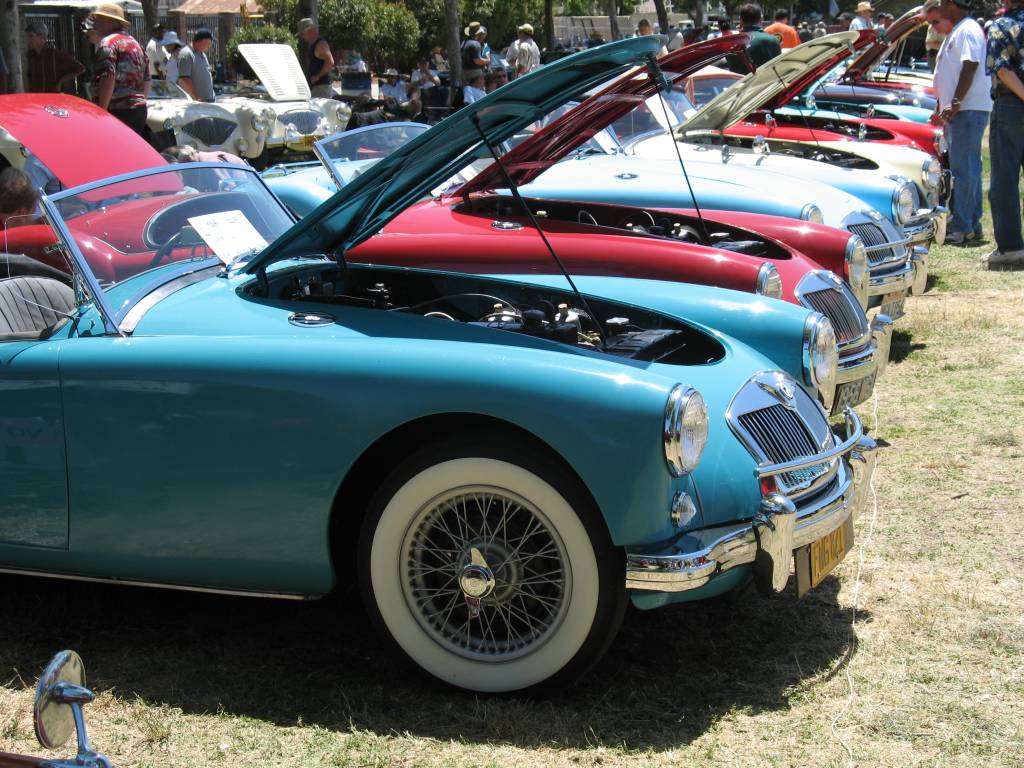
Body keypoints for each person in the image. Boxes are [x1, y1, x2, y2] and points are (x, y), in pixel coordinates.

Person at [931, 0, 991, 244]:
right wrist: (943, 102)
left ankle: (962, 227)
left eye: (942, 3)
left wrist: (955, 101)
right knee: (968, 169)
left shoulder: (967, 29)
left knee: (964, 170)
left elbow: (970, 64)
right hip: (962, 109)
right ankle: (971, 223)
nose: (940, 6)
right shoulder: (960, 29)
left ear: (952, 4)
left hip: (967, 109)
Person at [983, 0, 1024, 267]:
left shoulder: (1001, 25)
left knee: (1005, 180)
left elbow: (1002, 68)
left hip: (1010, 105)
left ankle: (1010, 248)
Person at [84, 4, 150, 136]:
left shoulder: (108, 44)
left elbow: (108, 77)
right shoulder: (136, 44)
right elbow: (147, 79)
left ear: (108, 21)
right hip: (139, 110)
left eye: (97, 19)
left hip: (117, 111)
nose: (94, 24)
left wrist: (101, 111)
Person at [24, 20, 84, 93]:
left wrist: (61, 81)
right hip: (35, 96)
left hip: (52, 96)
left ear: (42, 37)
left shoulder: (54, 55)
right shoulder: (30, 55)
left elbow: (80, 68)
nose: (28, 39)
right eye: (27, 36)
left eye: (31, 36)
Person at [725, 4, 783, 74]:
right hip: (769, 80)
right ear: (761, 19)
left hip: (741, 81)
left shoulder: (732, 44)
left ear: (740, 20)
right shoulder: (773, 40)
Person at [297, 18, 334, 98]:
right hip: (317, 87)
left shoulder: (320, 45)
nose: (302, 37)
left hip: (321, 88)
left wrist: (318, 76)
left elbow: (330, 62)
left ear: (309, 31)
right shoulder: (314, 45)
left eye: (302, 34)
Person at [177, 28, 215, 102]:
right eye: (208, 43)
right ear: (201, 41)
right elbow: (184, 78)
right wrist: (197, 98)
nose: (209, 46)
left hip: (207, 100)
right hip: (196, 102)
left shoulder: (202, 53)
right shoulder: (187, 54)